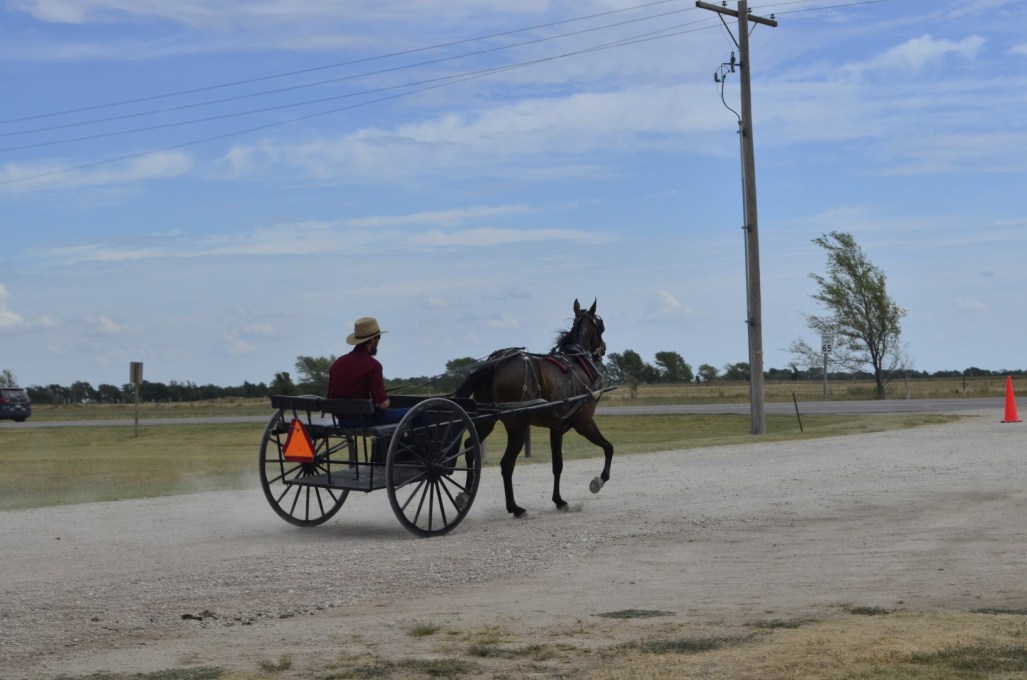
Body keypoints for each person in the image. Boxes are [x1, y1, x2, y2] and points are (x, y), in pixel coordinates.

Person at [327, 316, 410, 425]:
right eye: (378, 338)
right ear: (372, 340)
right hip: (363, 421)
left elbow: (333, 395)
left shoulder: (337, 363)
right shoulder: (373, 366)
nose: (378, 342)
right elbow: (383, 405)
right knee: (419, 411)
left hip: (342, 421)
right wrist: (385, 398)